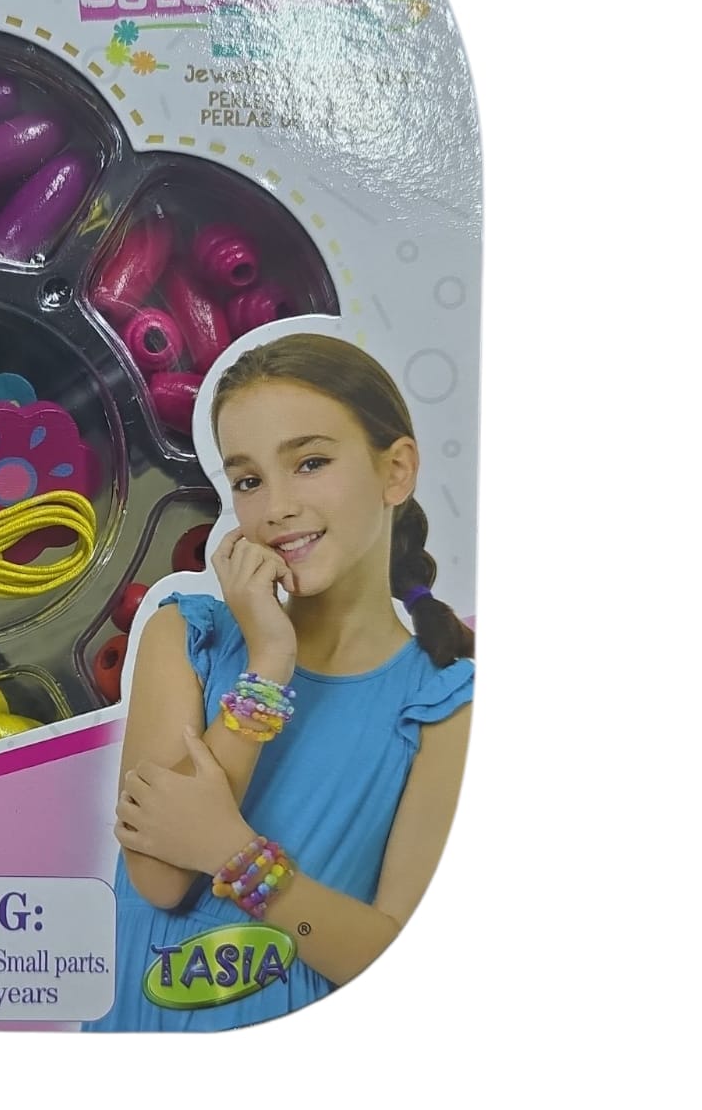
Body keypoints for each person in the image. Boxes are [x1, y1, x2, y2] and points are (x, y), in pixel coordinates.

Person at [86, 332, 474, 1030]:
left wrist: (231, 851)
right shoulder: (189, 637)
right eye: (248, 481)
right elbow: (158, 878)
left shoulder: (442, 705)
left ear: (396, 471)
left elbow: (394, 958)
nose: (276, 507)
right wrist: (268, 660)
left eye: (311, 463)